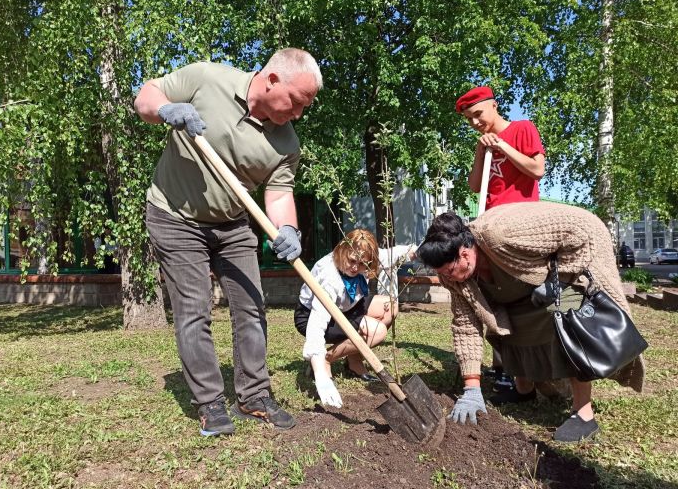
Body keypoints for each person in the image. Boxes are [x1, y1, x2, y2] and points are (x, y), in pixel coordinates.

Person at [134, 48, 322, 437]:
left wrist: (287, 230)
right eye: (297, 102)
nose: (299, 114)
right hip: (175, 217)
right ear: (272, 80)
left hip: (234, 224)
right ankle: (210, 403)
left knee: (252, 306)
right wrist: (166, 110)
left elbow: (280, 195)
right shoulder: (207, 78)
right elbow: (146, 96)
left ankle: (254, 395)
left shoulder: (287, 143)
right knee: (194, 309)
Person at [415, 202, 645, 442]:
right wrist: (471, 388)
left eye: (448, 270)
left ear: (464, 253)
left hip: (578, 259)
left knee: (566, 317)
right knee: (507, 322)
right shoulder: (455, 278)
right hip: (530, 283)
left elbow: (580, 230)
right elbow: (466, 327)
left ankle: (583, 412)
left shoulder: (500, 234)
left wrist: (563, 279)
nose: (445, 277)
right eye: (440, 273)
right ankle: (524, 389)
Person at [456, 85, 547, 393]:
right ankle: (505, 368)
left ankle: (539, 369)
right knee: (495, 296)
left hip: (521, 226)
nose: (475, 123)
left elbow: (537, 170)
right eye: (469, 119)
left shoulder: (522, 128)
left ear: (494, 106)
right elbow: (473, 185)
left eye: (478, 114)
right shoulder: (483, 143)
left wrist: (503, 147)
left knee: (525, 295)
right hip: (489, 227)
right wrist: (482, 151)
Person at [294, 229, 416, 408]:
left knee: (390, 306)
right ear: (343, 250)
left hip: (347, 306)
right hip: (312, 315)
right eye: (352, 261)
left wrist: (418, 252)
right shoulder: (329, 277)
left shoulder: (363, 258)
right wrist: (320, 372)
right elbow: (317, 322)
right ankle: (327, 359)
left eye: (362, 264)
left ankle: (353, 362)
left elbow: (389, 255)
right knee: (377, 331)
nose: (355, 268)